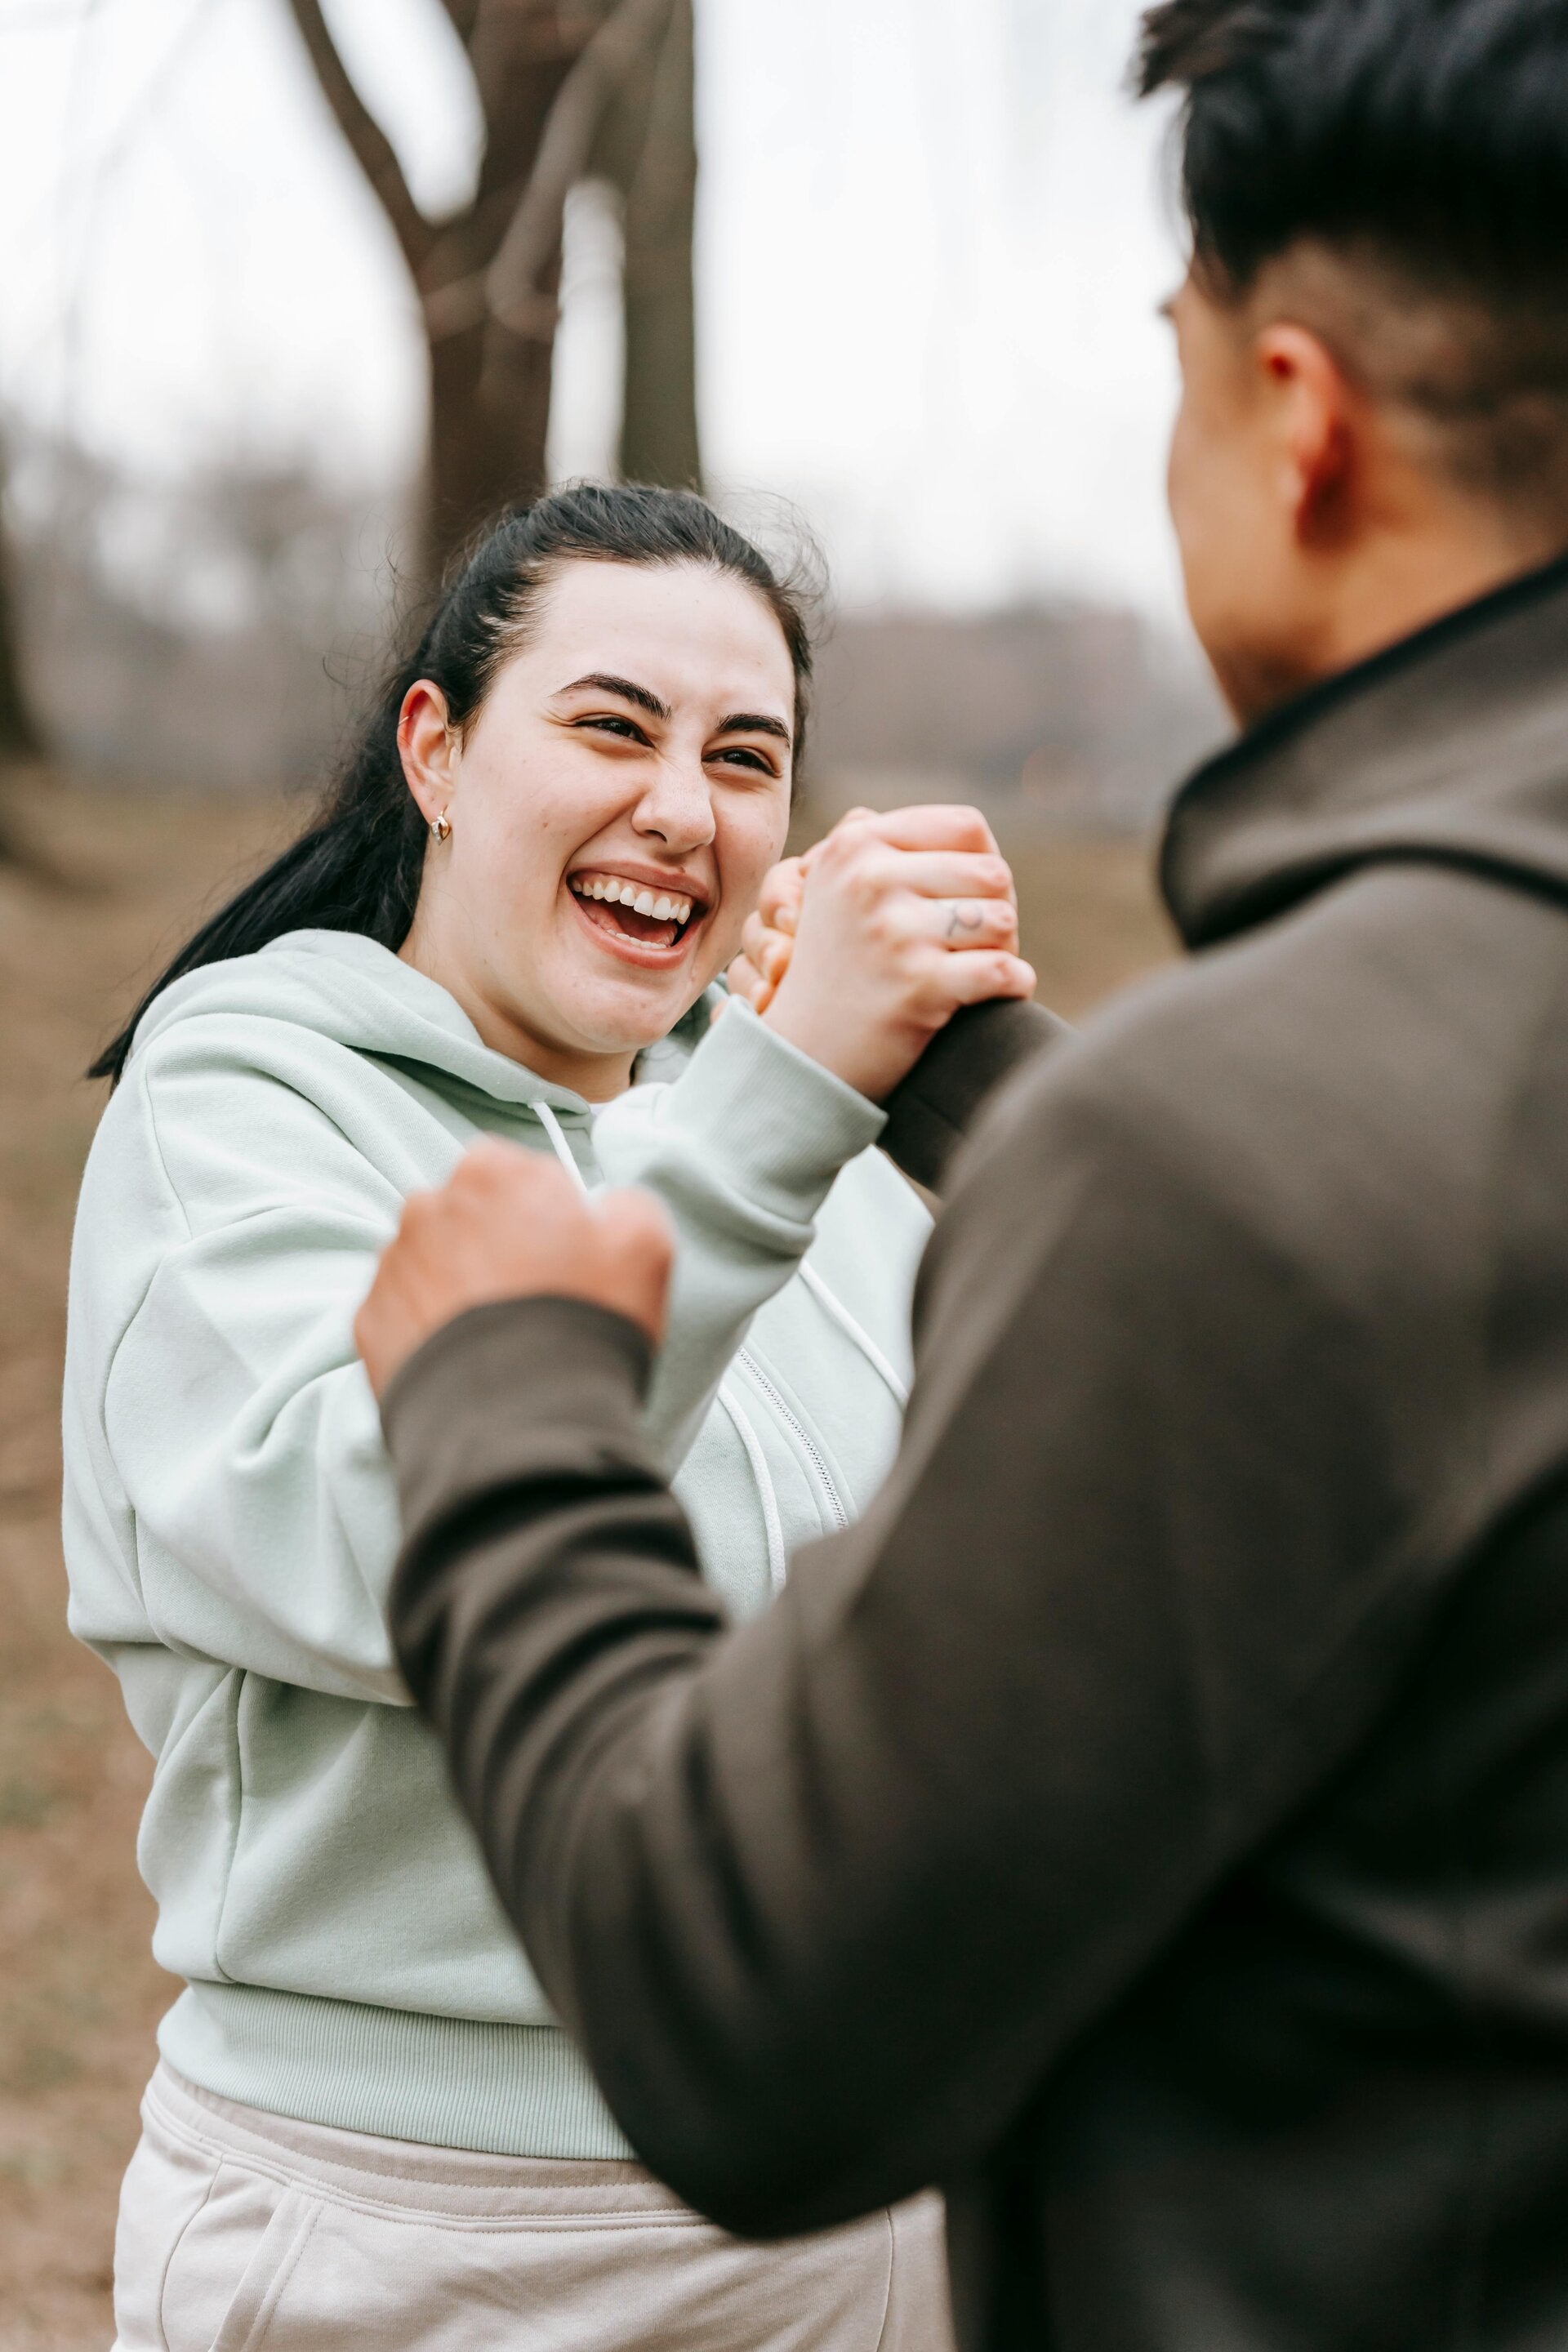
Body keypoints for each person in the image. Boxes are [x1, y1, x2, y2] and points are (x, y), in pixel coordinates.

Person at [355, 4, 1568, 2348]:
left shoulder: (1222, 1156)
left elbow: (756, 2018)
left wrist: (507, 1417)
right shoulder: (1290, 1122)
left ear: (1295, 415)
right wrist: (994, 1098)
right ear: (439, 749)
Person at [63, 483, 1039, 2350]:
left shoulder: (805, 1140)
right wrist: (776, 1107)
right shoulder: (243, 1105)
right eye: (612, 726)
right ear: (435, 751)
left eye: (744, 759)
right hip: (421, 2236)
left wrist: (984, 1106)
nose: (683, 807)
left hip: (864, 2206)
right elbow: (374, 1553)